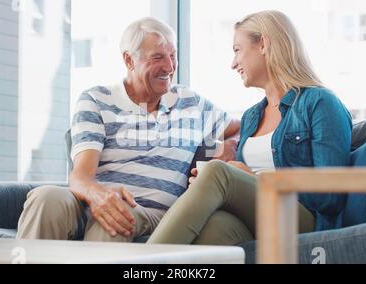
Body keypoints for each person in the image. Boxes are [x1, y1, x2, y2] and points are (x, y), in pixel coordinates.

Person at [16, 17, 240, 242]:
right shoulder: (96, 99)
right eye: (158, 57)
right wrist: (100, 196)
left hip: (153, 213)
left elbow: (246, 127)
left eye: (173, 56)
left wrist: (227, 149)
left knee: (117, 218)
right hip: (92, 202)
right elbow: (81, 176)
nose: (170, 67)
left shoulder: (192, 104)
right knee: (46, 197)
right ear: (129, 60)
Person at [147, 10, 353, 246]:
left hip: (305, 222)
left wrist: (253, 179)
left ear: (263, 44)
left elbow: (331, 194)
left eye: (237, 50)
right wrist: (207, 189)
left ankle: (141, 266)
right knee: (213, 228)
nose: (233, 63)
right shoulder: (252, 117)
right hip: (260, 223)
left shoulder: (319, 102)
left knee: (217, 172)